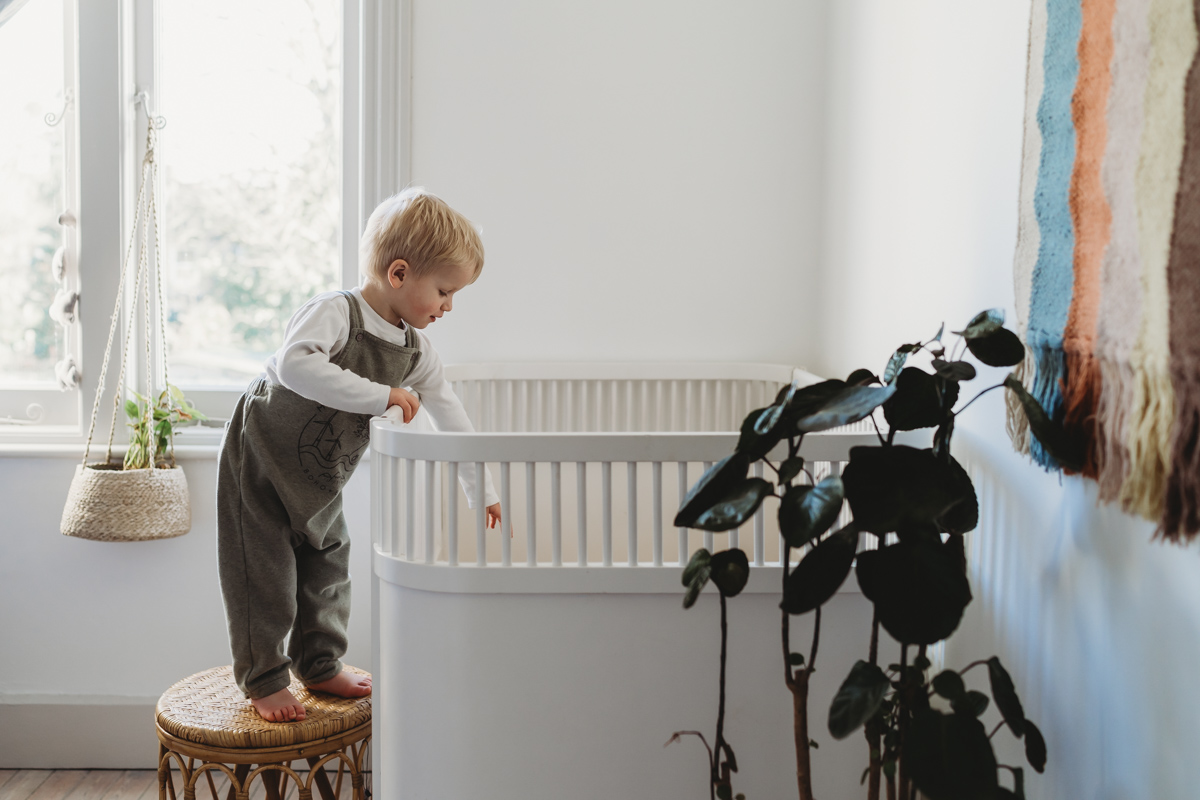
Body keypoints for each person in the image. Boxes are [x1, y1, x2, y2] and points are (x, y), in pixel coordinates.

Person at [216, 188, 501, 722]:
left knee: (330, 568)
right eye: (443, 290)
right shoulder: (335, 313)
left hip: (320, 479)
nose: (448, 306)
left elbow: (449, 412)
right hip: (260, 460)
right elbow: (295, 364)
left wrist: (480, 488)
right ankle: (264, 679)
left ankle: (320, 663)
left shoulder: (414, 350)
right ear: (399, 274)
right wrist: (381, 397)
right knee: (264, 574)